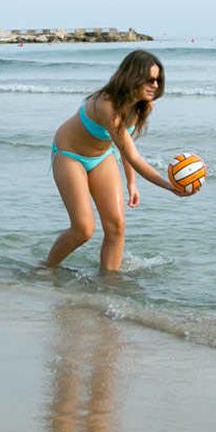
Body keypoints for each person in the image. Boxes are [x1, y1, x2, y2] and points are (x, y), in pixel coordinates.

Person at [44, 49, 189, 272]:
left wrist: (132, 183)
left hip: (102, 157)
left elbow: (125, 145)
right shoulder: (107, 105)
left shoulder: (143, 105)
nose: (155, 85)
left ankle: (109, 282)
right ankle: (45, 268)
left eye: (158, 80)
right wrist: (169, 186)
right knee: (84, 229)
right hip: (70, 155)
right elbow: (132, 155)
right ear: (132, 77)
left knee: (116, 227)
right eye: (149, 80)